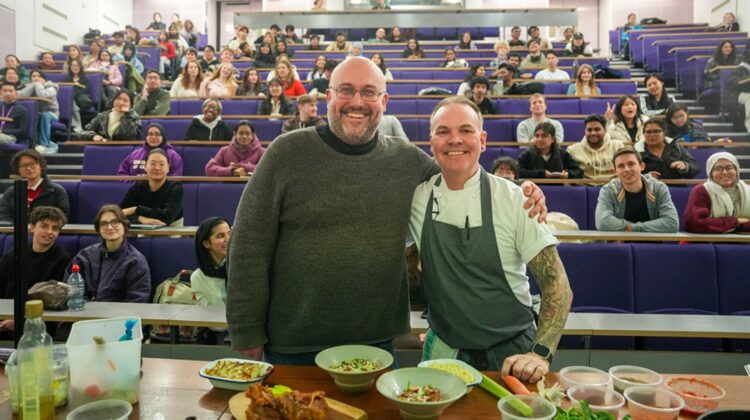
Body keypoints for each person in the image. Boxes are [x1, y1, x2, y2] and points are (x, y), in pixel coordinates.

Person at [226, 57, 547, 364]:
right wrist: (246, 330)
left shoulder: (407, 160)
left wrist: (520, 190)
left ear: (384, 101)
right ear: (328, 97)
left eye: (369, 93)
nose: (357, 102)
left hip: (375, 343)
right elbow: (248, 244)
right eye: (346, 91)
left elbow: (460, 166)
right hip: (292, 343)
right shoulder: (286, 153)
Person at [411, 96, 571, 378]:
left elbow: (557, 284)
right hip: (443, 350)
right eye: (443, 131)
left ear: (482, 140)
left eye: (466, 130)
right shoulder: (415, 196)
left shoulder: (516, 199)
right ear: (431, 141)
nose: (455, 139)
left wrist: (540, 353)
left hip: (510, 356)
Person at [0, 207, 71, 330]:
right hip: (6, 316)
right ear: (32, 227)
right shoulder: (13, 254)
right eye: (44, 226)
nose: (49, 232)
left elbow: (53, 302)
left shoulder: (63, 260)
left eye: (55, 228)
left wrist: (19, 320)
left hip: (38, 323)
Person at [64, 205, 151, 302]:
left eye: (115, 222)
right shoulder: (84, 256)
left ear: (124, 225)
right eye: (104, 224)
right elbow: (70, 291)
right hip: (84, 312)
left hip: (119, 314)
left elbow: (137, 299)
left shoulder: (136, 261)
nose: (109, 227)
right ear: (99, 229)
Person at [595, 146, 679, 233]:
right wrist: (635, 227)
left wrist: (633, 228)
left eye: (631, 164)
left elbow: (672, 223)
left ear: (642, 166)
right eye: (621, 166)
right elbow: (602, 222)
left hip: (653, 245)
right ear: (615, 171)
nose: (626, 169)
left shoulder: (659, 188)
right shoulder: (608, 190)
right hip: (619, 245)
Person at [684, 151, 750, 233]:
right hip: (708, 242)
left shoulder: (747, 191)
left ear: (737, 170)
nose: (725, 172)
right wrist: (735, 221)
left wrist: (723, 225)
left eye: (729, 168)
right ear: (710, 173)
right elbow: (695, 224)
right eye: (718, 169)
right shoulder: (702, 190)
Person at [0, 149, 69, 221]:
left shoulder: (56, 191)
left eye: (32, 164)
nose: (28, 168)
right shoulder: (11, 192)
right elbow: (3, 215)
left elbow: (62, 216)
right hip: (15, 231)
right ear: (18, 170)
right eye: (23, 165)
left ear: (41, 166)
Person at [121, 148, 184, 226]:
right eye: (153, 164)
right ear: (145, 166)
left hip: (171, 231)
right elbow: (120, 213)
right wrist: (140, 219)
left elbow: (167, 217)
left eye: (162, 164)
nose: (157, 168)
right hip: (142, 229)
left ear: (168, 168)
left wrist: (136, 209)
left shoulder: (176, 188)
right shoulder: (137, 187)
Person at [567, 114, 624, 181]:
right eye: (589, 130)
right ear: (585, 131)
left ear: (605, 130)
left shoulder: (618, 146)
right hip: (585, 186)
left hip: (614, 187)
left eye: (597, 129)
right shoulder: (573, 150)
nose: (593, 133)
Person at [191, 217, 231, 307]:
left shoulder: (243, 267)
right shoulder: (198, 278)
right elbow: (208, 313)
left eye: (230, 234)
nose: (228, 239)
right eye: (221, 236)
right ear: (206, 243)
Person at [118, 123, 184, 176]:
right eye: (150, 134)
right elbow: (122, 172)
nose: (153, 137)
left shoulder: (173, 155)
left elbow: (175, 177)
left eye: (157, 134)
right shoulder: (135, 154)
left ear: (163, 137)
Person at [18, 70, 59, 154]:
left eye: (39, 76)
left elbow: (43, 96)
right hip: (35, 114)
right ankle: (28, 143)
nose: (36, 78)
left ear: (44, 79)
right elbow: (19, 96)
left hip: (51, 113)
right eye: (33, 76)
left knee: (45, 115)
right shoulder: (28, 87)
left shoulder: (52, 87)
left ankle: (44, 144)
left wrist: (37, 85)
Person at [701, 40, 740, 110]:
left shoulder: (736, 60)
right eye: (726, 47)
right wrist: (720, 76)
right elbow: (706, 75)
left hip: (730, 82)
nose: (728, 49)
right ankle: (725, 109)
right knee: (728, 84)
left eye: (730, 47)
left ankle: (728, 110)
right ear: (721, 48)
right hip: (715, 82)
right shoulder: (712, 61)